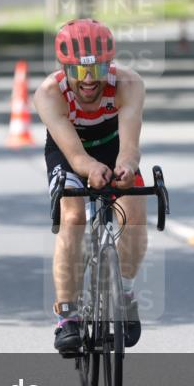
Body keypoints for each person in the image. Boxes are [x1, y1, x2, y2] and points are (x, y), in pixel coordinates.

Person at [33, 19, 147, 354]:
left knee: (135, 210)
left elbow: (130, 145)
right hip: (70, 153)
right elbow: (73, 153)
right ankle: (67, 316)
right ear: (63, 67)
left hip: (113, 147)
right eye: (77, 71)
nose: (87, 81)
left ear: (108, 65)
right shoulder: (48, 94)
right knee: (72, 217)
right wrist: (90, 169)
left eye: (95, 69)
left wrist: (125, 166)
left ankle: (123, 292)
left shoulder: (129, 83)